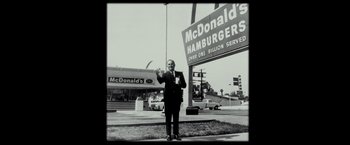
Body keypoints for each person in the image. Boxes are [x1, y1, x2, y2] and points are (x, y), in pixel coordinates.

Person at [155, 59, 186, 141]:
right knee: (168, 117)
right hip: (168, 99)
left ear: (174, 65)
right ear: (167, 66)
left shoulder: (180, 74)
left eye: (172, 64)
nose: (170, 65)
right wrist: (158, 73)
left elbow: (185, 85)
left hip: (177, 99)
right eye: (169, 64)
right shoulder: (165, 74)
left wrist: (180, 83)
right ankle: (168, 135)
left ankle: (176, 134)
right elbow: (160, 81)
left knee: (176, 117)